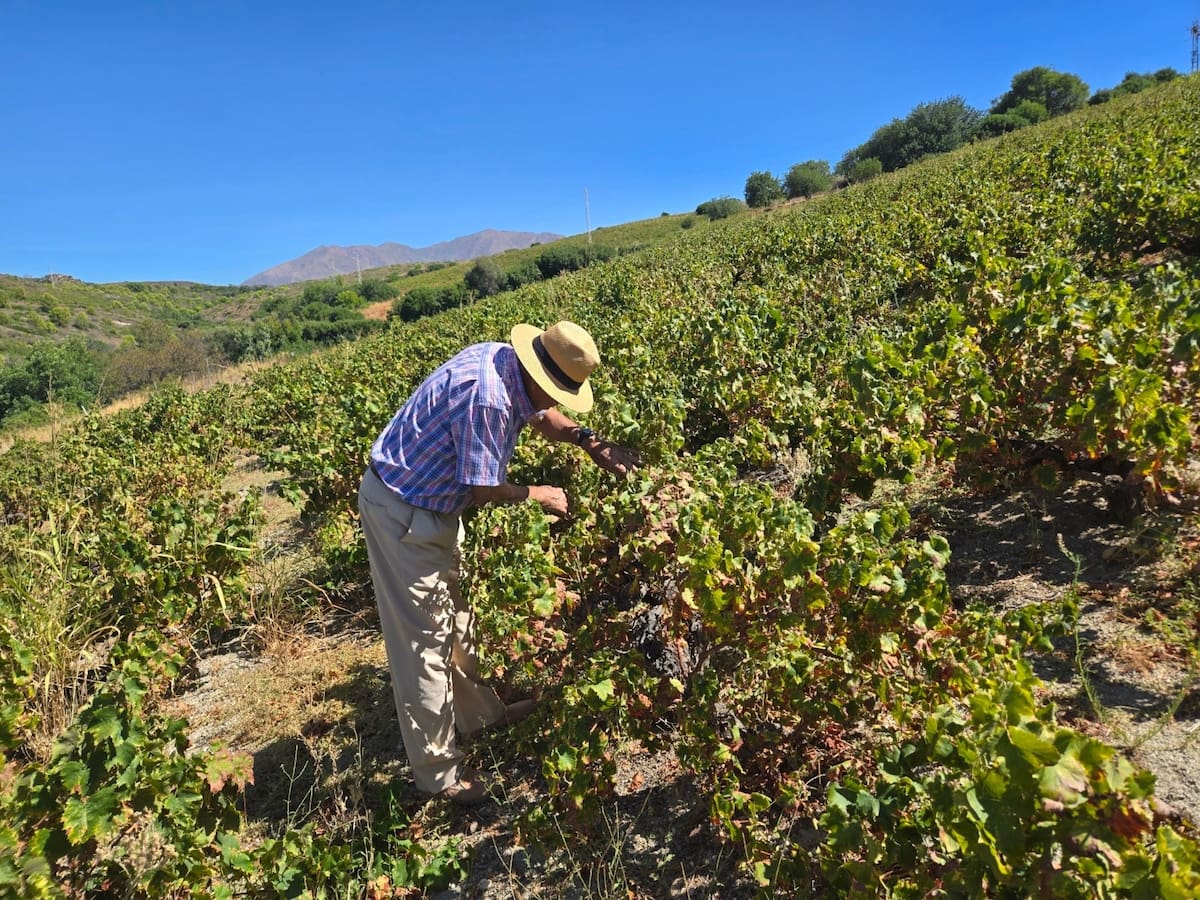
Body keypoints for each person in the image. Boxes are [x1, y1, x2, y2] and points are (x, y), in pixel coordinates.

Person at [358, 320, 639, 804]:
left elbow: (541, 416)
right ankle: (439, 775)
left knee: (457, 621)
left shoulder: (506, 362)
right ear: (539, 371)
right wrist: (538, 493)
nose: (555, 402)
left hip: (433, 508)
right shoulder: (488, 396)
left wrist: (591, 443)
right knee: (423, 645)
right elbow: (483, 488)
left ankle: (479, 717)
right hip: (402, 514)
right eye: (557, 391)